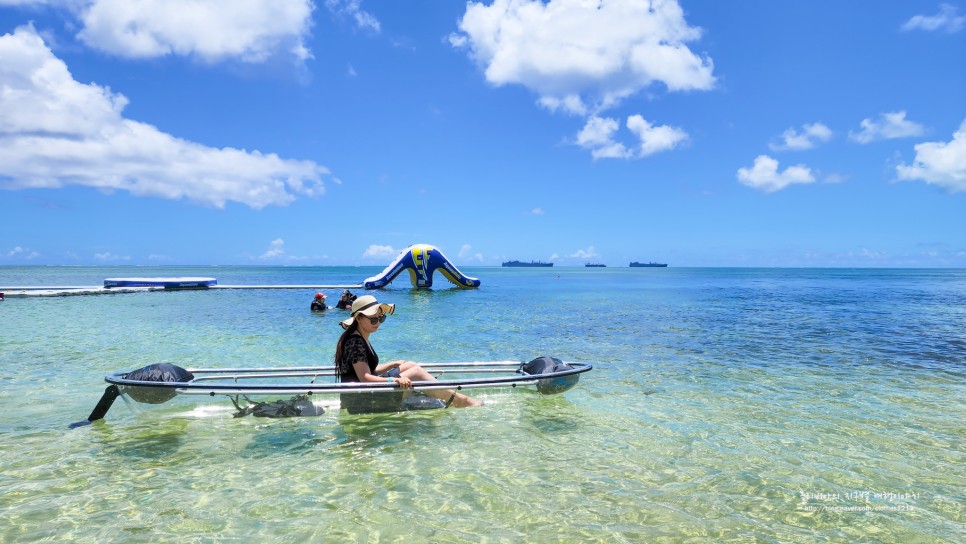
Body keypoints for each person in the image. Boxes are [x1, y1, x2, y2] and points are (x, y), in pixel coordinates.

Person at [334, 295, 482, 409]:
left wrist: (393, 363)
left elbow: (369, 370)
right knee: (416, 372)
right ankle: (463, 401)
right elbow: (365, 378)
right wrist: (395, 380)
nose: (378, 323)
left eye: (381, 318)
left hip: (364, 393)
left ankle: (434, 390)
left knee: (410, 365)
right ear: (359, 318)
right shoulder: (355, 342)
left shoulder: (359, 337)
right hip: (361, 401)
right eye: (373, 320)